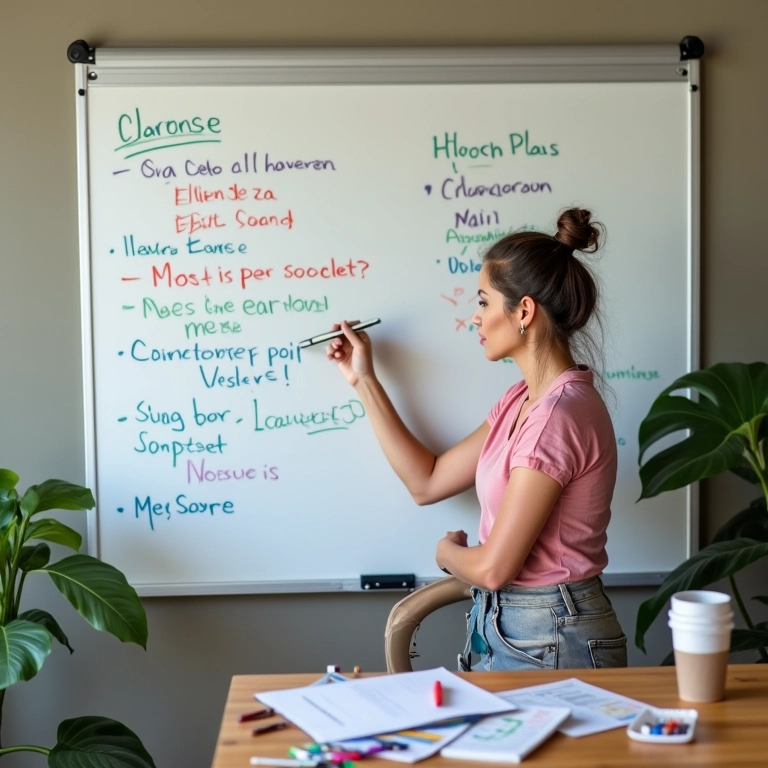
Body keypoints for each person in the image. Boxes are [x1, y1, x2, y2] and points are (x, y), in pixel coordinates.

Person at [327, 207, 627, 671]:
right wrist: (363, 380)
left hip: (549, 634)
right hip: (518, 628)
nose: (475, 317)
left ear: (523, 311)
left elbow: (493, 569)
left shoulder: (555, 417)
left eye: (484, 301)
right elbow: (426, 482)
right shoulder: (520, 401)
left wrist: (447, 554)